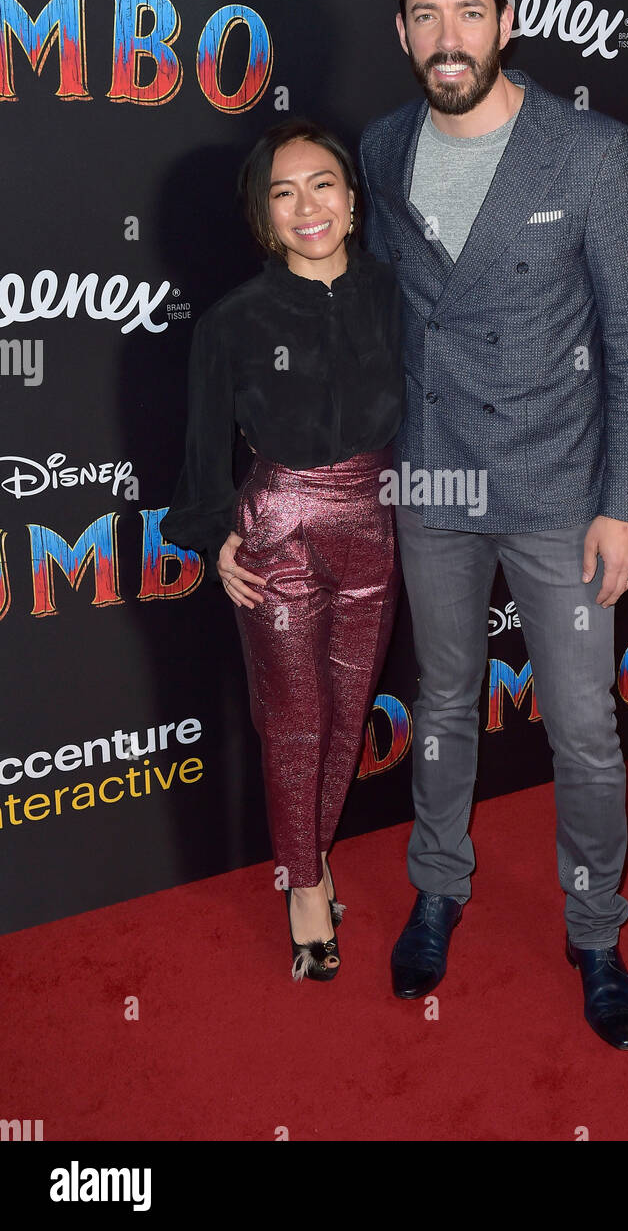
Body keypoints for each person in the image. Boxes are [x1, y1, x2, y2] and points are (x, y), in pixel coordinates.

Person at [358, 0, 628, 1048]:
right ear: (401, 31)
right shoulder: (382, 148)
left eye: (469, 12)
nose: (449, 37)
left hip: (555, 490)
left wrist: (621, 503)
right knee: (442, 703)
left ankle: (594, 929)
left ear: (508, 19)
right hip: (432, 487)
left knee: (583, 728)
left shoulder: (589, 153)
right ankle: (437, 884)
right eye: (426, 15)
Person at [160, 120, 403, 982]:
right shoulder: (234, 318)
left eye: (324, 184)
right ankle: (305, 884)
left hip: (375, 522)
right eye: (284, 191)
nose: (309, 206)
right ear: (265, 218)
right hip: (281, 527)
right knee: (296, 719)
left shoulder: (393, 293)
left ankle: (314, 851)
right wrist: (215, 529)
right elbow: (200, 447)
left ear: (353, 198)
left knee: (345, 709)